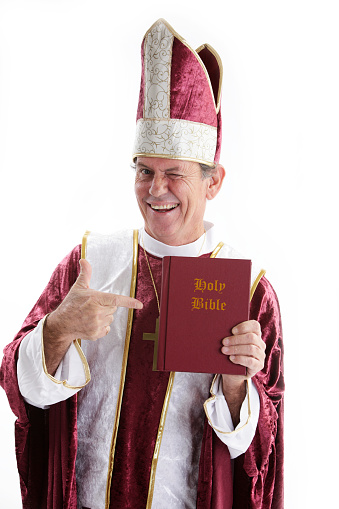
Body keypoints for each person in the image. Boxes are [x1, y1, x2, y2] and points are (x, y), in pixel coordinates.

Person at [0, 18, 284, 509]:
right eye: (144, 171)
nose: (156, 190)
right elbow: (16, 384)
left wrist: (238, 386)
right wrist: (57, 329)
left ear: (213, 181)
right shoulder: (89, 262)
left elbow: (263, 457)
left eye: (174, 174)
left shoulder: (250, 293)